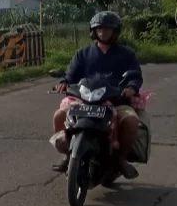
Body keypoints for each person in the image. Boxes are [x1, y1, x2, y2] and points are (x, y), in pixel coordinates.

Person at [52, 10, 142, 179]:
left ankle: (121, 159)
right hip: (83, 100)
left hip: (115, 100)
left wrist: (131, 87)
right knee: (59, 116)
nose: (103, 32)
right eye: (99, 28)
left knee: (131, 121)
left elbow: (135, 75)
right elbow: (70, 75)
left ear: (115, 31)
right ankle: (67, 155)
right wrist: (63, 82)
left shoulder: (127, 54)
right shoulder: (82, 54)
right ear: (93, 31)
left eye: (108, 28)